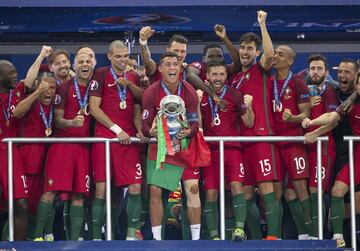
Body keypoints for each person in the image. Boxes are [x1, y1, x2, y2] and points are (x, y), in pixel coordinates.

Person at [228, 10, 280, 240]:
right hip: (243, 143)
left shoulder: (260, 70)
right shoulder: (235, 79)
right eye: (243, 48)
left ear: (256, 52)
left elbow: (270, 54)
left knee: (267, 190)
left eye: (250, 48)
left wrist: (262, 24)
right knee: (246, 193)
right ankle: (257, 239)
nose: (245, 52)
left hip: (261, 139)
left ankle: (274, 238)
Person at [33, 53, 95, 241]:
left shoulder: (95, 87)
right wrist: (70, 123)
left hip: (84, 148)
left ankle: (76, 242)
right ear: (73, 66)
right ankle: (36, 237)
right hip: (62, 147)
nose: (84, 65)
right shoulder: (65, 88)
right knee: (50, 192)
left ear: (93, 64)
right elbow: (58, 120)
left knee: (79, 195)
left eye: (88, 61)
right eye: (80, 62)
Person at [142, 51, 202, 240]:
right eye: (167, 64)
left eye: (175, 64)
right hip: (161, 147)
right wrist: (149, 131)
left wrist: (189, 132)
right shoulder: (151, 92)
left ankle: (196, 241)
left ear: (179, 67)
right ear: (160, 69)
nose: (172, 68)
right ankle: (157, 240)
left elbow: (195, 123)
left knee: (193, 189)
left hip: (184, 146)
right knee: (155, 190)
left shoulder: (189, 91)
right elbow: (145, 123)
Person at [90, 40, 145, 240]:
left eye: (126, 56)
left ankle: (131, 236)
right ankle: (97, 238)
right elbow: (94, 108)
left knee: (136, 186)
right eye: (118, 56)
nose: (123, 60)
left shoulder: (133, 76)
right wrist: (117, 130)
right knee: (102, 188)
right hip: (106, 137)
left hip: (129, 139)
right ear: (110, 56)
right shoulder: (101, 74)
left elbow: (139, 104)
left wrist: (138, 129)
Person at [301, 72, 360, 248]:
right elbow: (332, 119)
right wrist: (312, 128)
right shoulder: (350, 104)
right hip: (357, 154)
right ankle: (338, 238)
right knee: (337, 191)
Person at [200, 60, 254, 241]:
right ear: (207, 76)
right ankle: (214, 236)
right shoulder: (200, 95)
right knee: (211, 193)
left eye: (221, 74)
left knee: (237, 186)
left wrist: (249, 106)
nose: (218, 78)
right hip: (209, 152)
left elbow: (249, 122)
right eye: (214, 74)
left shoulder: (235, 94)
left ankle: (239, 230)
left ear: (226, 76)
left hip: (232, 149)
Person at [271, 45, 313, 239]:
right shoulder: (269, 82)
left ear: (290, 61)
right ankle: (276, 236)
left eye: (280, 54)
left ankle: (310, 235)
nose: (275, 56)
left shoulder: (298, 83)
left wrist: (293, 118)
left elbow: (306, 114)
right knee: (278, 192)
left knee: (299, 189)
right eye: (275, 53)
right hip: (274, 145)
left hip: (293, 142)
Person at [13, 72, 56, 241]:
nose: (48, 92)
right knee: (21, 209)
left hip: (43, 164)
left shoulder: (55, 107)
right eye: (45, 87)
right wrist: (37, 92)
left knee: (35, 209)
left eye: (52, 88)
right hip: (25, 162)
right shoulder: (30, 101)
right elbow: (16, 112)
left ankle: (32, 242)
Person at [302, 54, 339, 238]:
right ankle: (309, 234)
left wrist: (315, 132)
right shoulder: (307, 92)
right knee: (307, 190)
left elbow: (333, 120)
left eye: (319, 69)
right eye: (312, 69)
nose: (315, 72)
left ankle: (318, 237)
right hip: (308, 147)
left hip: (323, 147)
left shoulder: (330, 91)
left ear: (326, 71)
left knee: (317, 191)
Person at [0, 60, 28, 240]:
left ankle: (18, 246)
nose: (15, 75)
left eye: (15, 72)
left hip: (11, 153)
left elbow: (33, 76)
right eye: (10, 73)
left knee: (22, 205)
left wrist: (42, 55)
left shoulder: (17, 93)